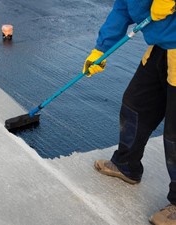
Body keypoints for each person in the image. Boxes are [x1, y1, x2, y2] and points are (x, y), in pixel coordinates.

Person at [82, 0, 176, 224]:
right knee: (135, 106)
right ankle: (127, 165)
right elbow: (123, 8)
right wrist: (100, 49)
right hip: (162, 47)